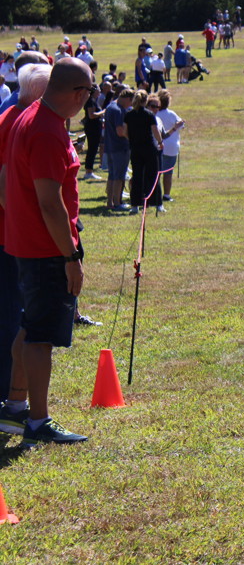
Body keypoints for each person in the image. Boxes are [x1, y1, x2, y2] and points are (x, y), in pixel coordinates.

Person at [0, 58, 91, 445]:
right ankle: (38, 421)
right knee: (40, 337)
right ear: (78, 94)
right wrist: (71, 256)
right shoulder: (48, 130)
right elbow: (51, 203)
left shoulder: (29, 114)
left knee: (28, 326)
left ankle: (14, 406)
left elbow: (6, 178)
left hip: (28, 242)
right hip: (46, 248)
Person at [0, 63, 51, 406]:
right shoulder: (18, 122)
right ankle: (9, 395)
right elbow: (4, 184)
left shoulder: (11, 117)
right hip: (10, 237)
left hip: (10, 234)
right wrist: (25, 228)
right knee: (12, 317)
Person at [124, 90, 165, 213]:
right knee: (153, 176)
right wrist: (160, 142)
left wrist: (132, 139)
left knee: (137, 176)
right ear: (145, 101)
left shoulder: (129, 114)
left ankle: (135, 205)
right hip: (149, 148)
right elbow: (155, 131)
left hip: (135, 149)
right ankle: (157, 203)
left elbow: (125, 132)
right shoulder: (149, 114)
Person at [103, 87, 132, 211]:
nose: (130, 106)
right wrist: (131, 138)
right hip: (120, 147)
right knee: (119, 177)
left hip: (110, 146)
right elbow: (120, 131)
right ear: (128, 99)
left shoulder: (110, 107)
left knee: (112, 176)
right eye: (131, 102)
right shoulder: (119, 110)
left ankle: (110, 202)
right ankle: (117, 203)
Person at [156, 89, 184, 202]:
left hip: (158, 145)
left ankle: (155, 193)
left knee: (157, 172)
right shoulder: (171, 114)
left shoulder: (155, 114)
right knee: (168, 172)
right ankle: (166, 195)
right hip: (171, 146)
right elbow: (181, 125)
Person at [81, 84, 104, 181]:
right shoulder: (90, 101)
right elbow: (91, 115)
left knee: (93, 149)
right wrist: (103, 112)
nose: (100, 91)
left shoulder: (94, 100)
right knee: (92, 149)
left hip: (95, 127)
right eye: (98, 89)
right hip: (92, 128)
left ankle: (89, 171)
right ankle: (88, 171)